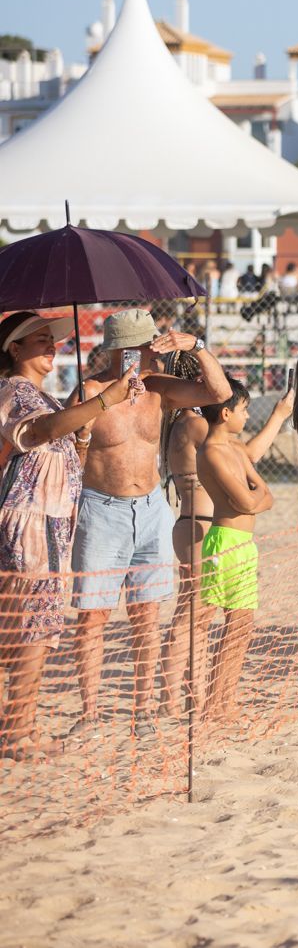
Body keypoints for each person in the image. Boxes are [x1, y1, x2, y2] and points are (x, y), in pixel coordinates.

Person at [71, 308, 229, 740]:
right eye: (147, 346)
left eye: (156, 344)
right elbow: (67, 450)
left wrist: (195, 347)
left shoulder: (159, 390)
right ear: (125, 351)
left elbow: (219, 392)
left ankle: (142, 709)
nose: (155, 353)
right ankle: (90, 712)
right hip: (101, 509)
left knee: (146, 614)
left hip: (152, 506)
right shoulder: (90, 392)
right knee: (93, 616)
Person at [0, 312, 117, 759]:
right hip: (31, 520)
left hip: (51, 521)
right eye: (41, 340)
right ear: (14, 348)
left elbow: (64, 453)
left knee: (37, 627)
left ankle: (19, 726)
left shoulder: (43, 397)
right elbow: (40, 434)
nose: (52, 346)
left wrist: (82, 436)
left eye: (53, 340)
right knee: (33, 629)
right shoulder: (15, 390)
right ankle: (17, 732)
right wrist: (103, 402)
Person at [160, 356, 292, 717]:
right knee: (193, 618)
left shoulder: (184, 422)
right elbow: (244, 459)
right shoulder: (197, 425)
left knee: (195, 619)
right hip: (205, 523)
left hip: (199, 521)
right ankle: (177, 699)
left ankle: (191, 697)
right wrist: (278, 418)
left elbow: (244, 465)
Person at [194, 381, 274, 722]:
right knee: (222, 623)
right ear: (225, 413)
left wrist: (255, 497)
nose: (246, 416)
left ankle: (224, 699)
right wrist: (256, 497)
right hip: (224, 541)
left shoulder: (238, 450)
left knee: (242, 625)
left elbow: (265, 496)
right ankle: (215, 702)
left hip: (244, 544)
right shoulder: (211, 451)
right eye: (243, 410)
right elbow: (247, 500)